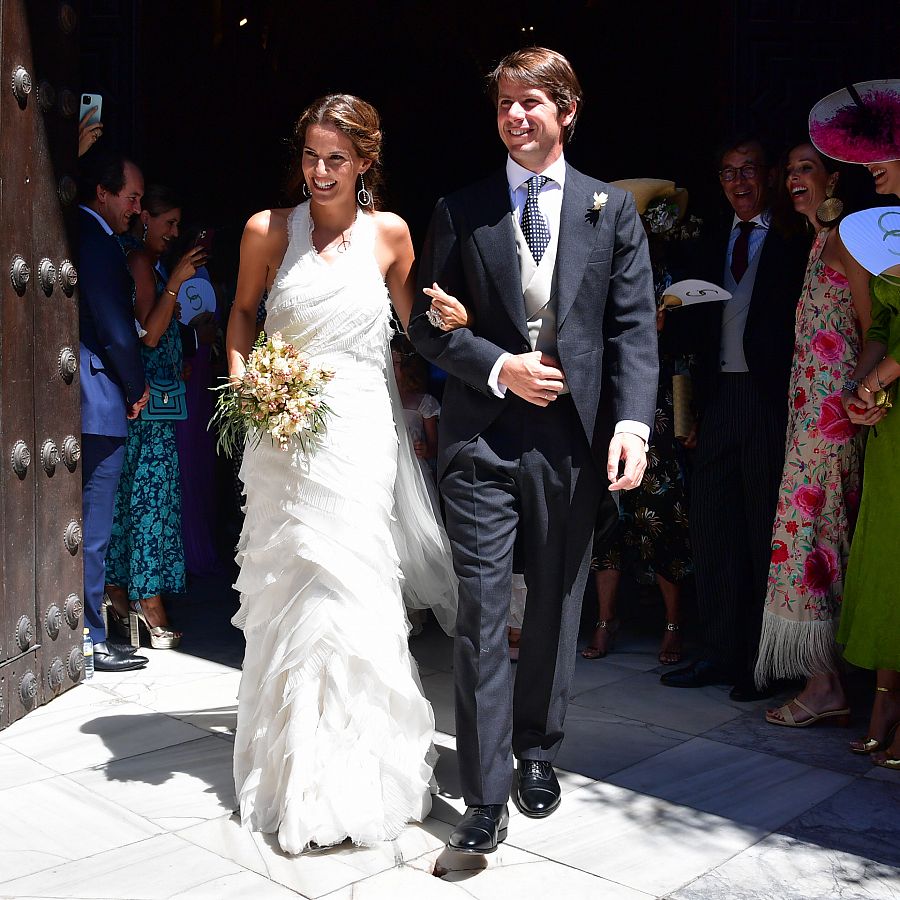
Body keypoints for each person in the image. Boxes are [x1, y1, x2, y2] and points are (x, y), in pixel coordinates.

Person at [409, 47, 658, 853]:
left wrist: (633, 423)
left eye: (532, 102)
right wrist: (496, 365)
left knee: (554, 600)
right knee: (482, 613)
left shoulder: (611, 209)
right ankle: (484, 796)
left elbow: (630, 327)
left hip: (573, 442)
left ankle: (537, 750)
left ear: (567, 110)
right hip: (480, 439)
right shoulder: (461, 206)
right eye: (504, 104)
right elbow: (426, 325)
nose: (515, 116)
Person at [225, 94, 457, 853]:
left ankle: (365, 776)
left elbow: (416, 325)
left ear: (364, 163)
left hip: (358, 431)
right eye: (310, 157)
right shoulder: (268, 230)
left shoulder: (389, 234)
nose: (320, 172)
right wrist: (245, 381)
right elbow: (243, 316)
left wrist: (455, 322)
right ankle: (295, 775)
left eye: (336, 159)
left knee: (353, 590)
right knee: (294, 589)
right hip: (282, 435)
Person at [660, 136, 810, 701]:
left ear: (770, 176)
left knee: (761, 530)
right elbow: (693, 328)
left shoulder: (797, 241)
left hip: (772, 401)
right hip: (719, 398)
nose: (739, 182)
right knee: (714, 527)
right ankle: (722, 652)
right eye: (728, 174)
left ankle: (767, 661)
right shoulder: (710, 243)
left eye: (750, 171)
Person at [755, 143, 870, 727]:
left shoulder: (849, 235)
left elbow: (872, 325)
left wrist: (863, 393)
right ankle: (827, 681)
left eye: (807, 168)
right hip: (811, 416)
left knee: (809, 534)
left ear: (833, 178)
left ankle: (826, 683)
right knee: (814, 534)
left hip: (834, 420)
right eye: (791, 169)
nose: (794, 178)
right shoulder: (816, 242)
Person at [811, 79, 900, 769]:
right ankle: (885, 698)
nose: (871, 160)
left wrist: (877, 377)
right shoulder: (887, 226)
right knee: (886, 553)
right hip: (893, 420)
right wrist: (859, 391)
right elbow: (885, 328)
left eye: (883, 150)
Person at [581, 179, 697, 666]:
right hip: (601, 404)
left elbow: (686, 356)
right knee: (605, 520)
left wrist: (688, 414)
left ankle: (674, 625)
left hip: (657, 407)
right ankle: (606, 621)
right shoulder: (592, 268)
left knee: (661, 515)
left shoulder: (669, 275)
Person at [104, 186, 208, 650]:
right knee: (152, 500)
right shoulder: (141, 261)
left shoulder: (139, 258)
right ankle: (150, 603)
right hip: (147, 407)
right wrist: (177, 280)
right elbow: (148, 332)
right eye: (168, 223)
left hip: (147, 400)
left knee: (133, 498)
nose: (174, 232)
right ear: (144, 217)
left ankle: (118, 593)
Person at [77, 151, 149, 672]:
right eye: (132, 198)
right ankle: (90, 636)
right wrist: (135, 385)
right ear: (103, 193)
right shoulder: (98, 243)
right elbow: (115, 327)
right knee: (94, 524)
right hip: (98, 393)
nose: (137, 209)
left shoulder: (87, 234)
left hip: (83, 389)